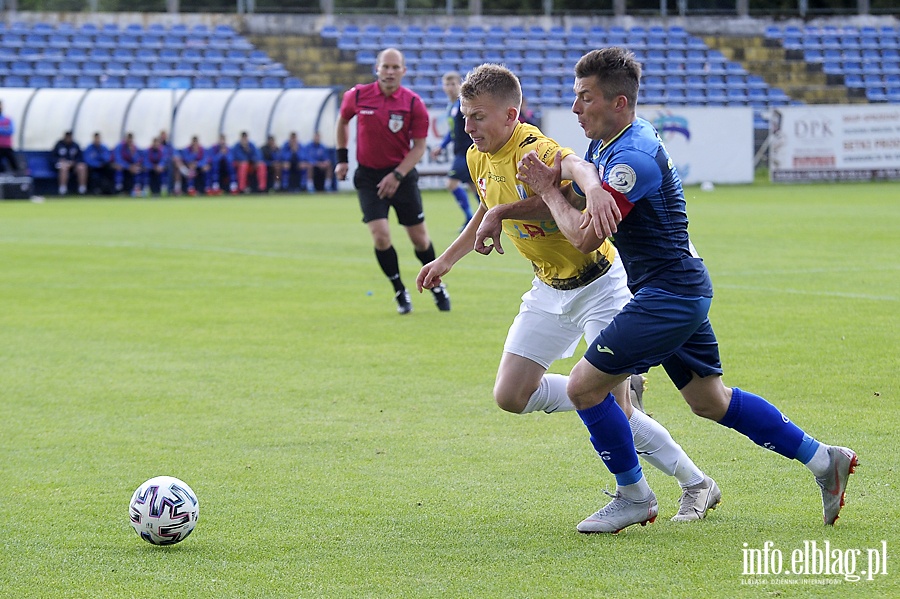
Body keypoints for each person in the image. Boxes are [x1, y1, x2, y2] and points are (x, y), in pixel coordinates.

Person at [514, 47, 857, 533]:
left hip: (669, 296)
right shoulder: (612, 141)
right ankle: (826, 461)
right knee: (709, 400)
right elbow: (576, 195)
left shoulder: (631, 158)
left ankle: (633, 496)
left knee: (584, 387)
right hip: (678, 290)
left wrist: (549, 190)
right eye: (575, 97)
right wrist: (549, 191)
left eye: (584, 98)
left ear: (619, 103)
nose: (574, 109)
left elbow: (585, 236)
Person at [416, 62, 719, 525]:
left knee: (610, 407)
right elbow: (486, 207)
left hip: (599, 284)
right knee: (511, 395)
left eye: (478, 116)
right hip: (547, 287)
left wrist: (554, 196)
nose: (468, 125)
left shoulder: (534, 147)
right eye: (464, 115)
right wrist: (446, 260)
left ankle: (688, 483)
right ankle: (607, 392)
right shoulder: (478, 156)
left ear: (511, 115)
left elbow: (572, 179)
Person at [335, 47, 450, 314]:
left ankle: (435, 285)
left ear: (403, 71)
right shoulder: (358, 96)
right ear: (377, 68)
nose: (389, 72)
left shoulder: (412, 103)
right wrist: (342, 158)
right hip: (368, 177)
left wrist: (397, 175)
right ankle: (399, 290)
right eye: (385, 66)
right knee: (380, 236)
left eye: (395, 67)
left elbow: (419, 146)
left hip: (403, 176)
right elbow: (342, 122)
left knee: (420, 240)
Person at [430, 71, 474, 229]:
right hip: (460, 151)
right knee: (474, 186)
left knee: (451, 183)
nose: (450, 88)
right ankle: (487, 217)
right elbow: (452, 130)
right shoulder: (452, 107)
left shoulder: (463, 105)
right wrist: (441, 146)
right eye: (447, 84)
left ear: (460, 85)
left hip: (466, 151)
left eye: (453, 84)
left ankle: (471, 218)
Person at [52, 130, 87, 195]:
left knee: (82, 167)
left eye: (70, 137)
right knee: (64, 167)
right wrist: (60, 161)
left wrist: (74, 162)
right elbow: (53, 158)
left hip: (73, 165)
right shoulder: (59, 145)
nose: (69, 139)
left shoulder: (75, 145)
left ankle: (82, 189)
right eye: (67, 137)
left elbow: (80, 158)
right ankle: (62, 189)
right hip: (60, 165)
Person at [0, 101, 21, 173]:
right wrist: (4, 128)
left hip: (6, 146)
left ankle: (18, 177)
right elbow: (7, 130)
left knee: (14, 164)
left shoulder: (8, 119)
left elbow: (11, 130)